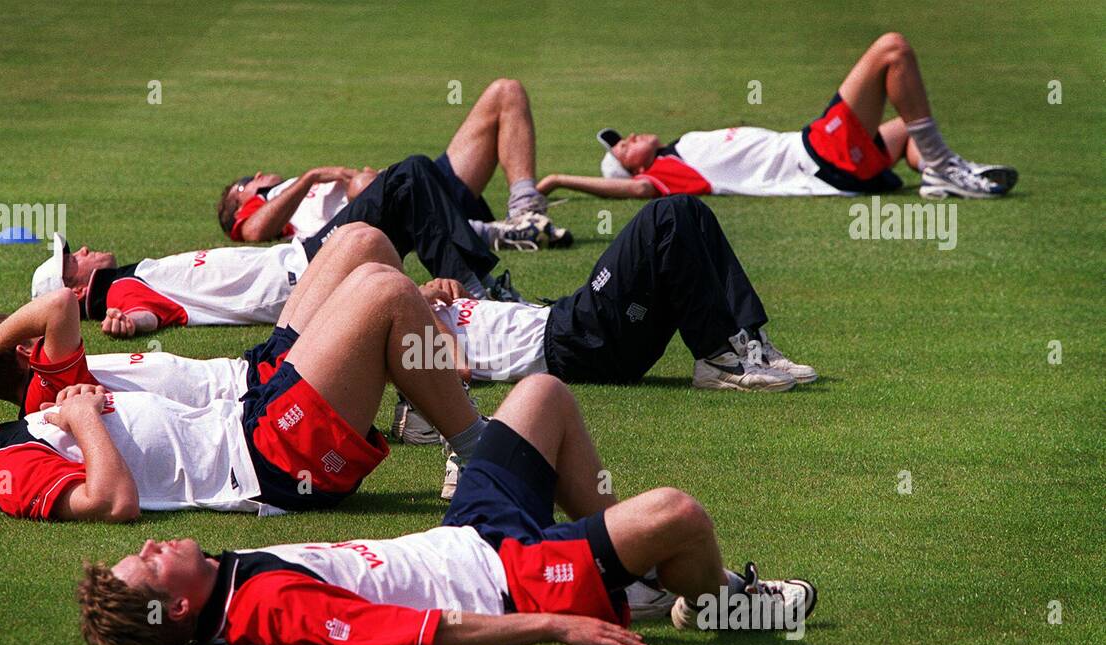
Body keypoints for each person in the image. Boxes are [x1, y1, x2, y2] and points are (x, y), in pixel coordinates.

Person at [76, 374, 817, 645]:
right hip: (512, 580)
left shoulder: (229, 579)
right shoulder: (268, 607)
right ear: (174, 605)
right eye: (148, 559)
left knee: (542, 395)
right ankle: (720, 601)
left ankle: (652, 578)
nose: (150, 540)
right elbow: (418, 631)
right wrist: (555, 623)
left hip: (467, 533)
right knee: (679, 511)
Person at [0, 232, 488, 519]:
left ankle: (443, 415)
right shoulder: (9, 465)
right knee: (381, 290)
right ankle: (480, 456)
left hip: (252, 416)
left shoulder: (20, 433)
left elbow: (59, 307)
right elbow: (112, 503)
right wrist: (84, 415)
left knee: (364, 244)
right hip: (264, 459)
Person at [392, 194, 813, 461]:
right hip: (572, 343)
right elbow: (458, 369)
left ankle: (747, 342)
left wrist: (445, 295)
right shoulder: (413, 342)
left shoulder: (420, 309)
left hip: (572, 325)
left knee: (690, 212)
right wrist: (419, 305)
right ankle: (718, 361)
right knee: (663, 216)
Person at [36, 156, 512, 343]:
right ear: (75, 291)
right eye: (72, 258)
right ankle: (477, 293)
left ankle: (477, 288)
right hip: (302, 272)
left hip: (302, 263)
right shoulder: (119, 292)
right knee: (407, 177)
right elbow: (148, 316)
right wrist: (126, 325)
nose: (83, 249)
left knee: (414, 181)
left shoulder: (131, 275)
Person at [0, 222, 398, 412]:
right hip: (262, 390)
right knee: (370, 259)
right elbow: (60, 306)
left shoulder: (53, 388)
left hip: (253, 371)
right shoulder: (48, 391)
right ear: (22, 350)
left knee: (362, 244)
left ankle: (419, 339)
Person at [537, 33, 1016, 201]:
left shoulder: (675, 152)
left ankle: (931, 171)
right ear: (637, 167)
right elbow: (637, 191)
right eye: (624, 147)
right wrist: (559, 178)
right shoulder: (665, 174)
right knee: (892, 50)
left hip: (829, 158)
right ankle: (941, 165)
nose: (631, 136)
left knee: (901, 126)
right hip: (817, 156)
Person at [217, 78, 572, 252]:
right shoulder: (262, 204)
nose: (259, 175)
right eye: (248, 181)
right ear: (243, 196)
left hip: (417, 187)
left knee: (505, 90)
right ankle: (486, 232)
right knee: (364, 188)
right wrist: (313, 176)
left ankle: (525, 213)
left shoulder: (286, 195)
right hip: (397, 217)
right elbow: (252, 232)